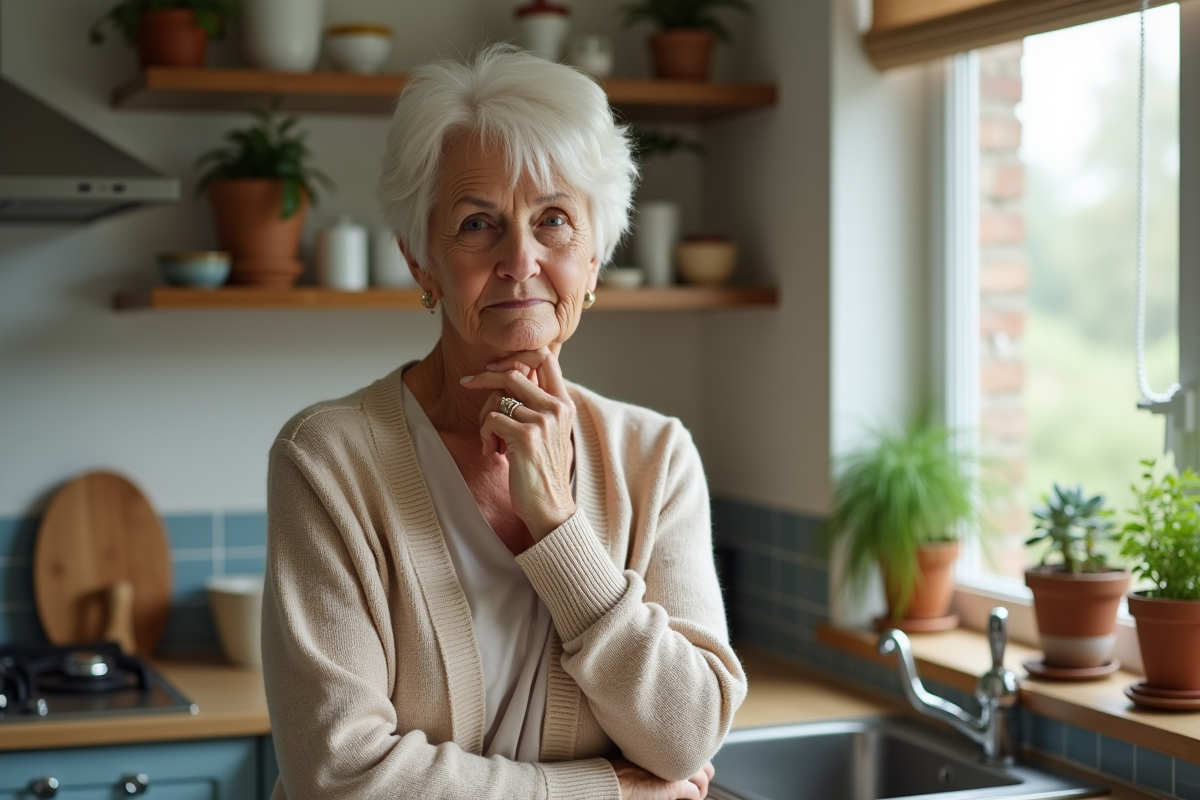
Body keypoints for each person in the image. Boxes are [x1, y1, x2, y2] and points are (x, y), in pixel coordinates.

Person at [261, 45, 746, 800]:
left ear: (592, 260)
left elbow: (686, 737)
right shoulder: (327, 460)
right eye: (478, 224)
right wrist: (604, 794)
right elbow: (339, 776)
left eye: (554, 220)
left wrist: (558, 528)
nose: (520, 260)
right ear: (421, 261)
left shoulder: (656, 457)